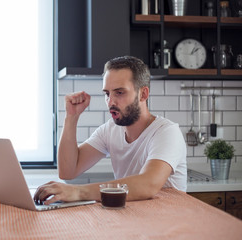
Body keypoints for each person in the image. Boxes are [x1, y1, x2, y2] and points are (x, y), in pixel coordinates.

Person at [34, 56, 187, 205]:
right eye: (107, 94)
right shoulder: (110, 130)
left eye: (119, 93)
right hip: (136, 221)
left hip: (171, 223)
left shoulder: (166, 132)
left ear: (143, 94)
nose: (110, 102)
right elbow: (68, 171)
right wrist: (71, 117)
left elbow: (148, 184)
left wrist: (78, 192)